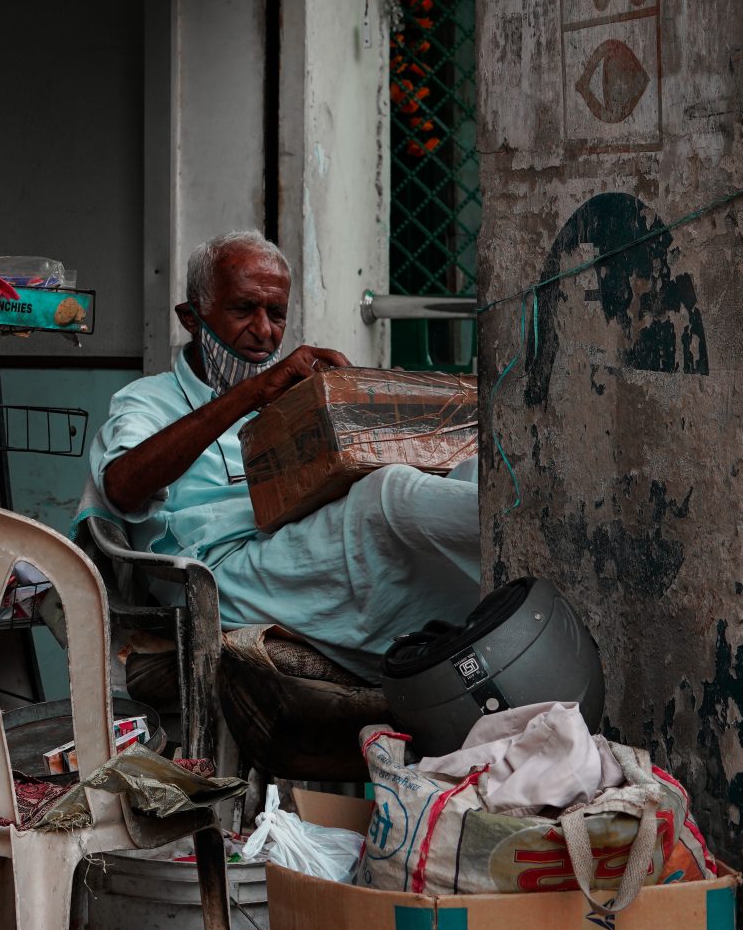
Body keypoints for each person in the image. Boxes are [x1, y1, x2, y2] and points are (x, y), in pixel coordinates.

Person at [77, 230, 481, 683]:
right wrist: (249, 395)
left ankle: (509, 602)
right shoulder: (146, 400)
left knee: (477, 468)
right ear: (191, 318)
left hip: (299, 540)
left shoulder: (295, 397)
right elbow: (122, 488)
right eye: (243, 310)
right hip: (219, 574)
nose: (265, 332)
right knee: (389, 496)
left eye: (276, 314)